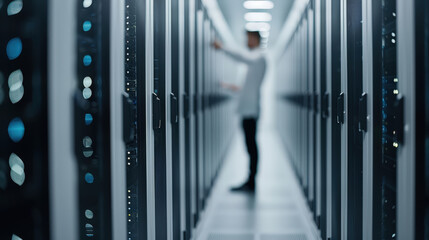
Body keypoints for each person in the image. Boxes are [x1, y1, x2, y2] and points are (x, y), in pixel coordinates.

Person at [213, 31, 267, 192]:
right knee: (250, 145)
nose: (246, 41)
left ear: (256, 39)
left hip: (250, 110)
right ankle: (250, 180)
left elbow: (243, 57)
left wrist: (222, 48)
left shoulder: (259, 57)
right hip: (247, 109)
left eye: (249, 38)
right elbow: (246, 88)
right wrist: (230, 87)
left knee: (251, 146)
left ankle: (251, 181)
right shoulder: (255, 60)